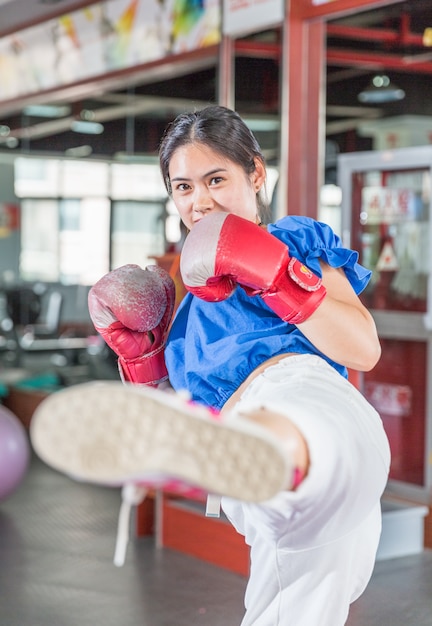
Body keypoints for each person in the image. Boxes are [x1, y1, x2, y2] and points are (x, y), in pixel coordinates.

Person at [30, 105, 390, 625]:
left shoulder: (292, 241)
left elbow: (363, 350)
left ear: (257, 173)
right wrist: (140, 360)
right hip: (257, 468)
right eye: (182, 187)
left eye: (215, 178)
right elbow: (161, 413)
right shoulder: (178, 301)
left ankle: (268, 454)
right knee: (301, 598)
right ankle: (257, 455)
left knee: (296, 431)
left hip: (317, 410)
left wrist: (278, 275)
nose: (200, 201)